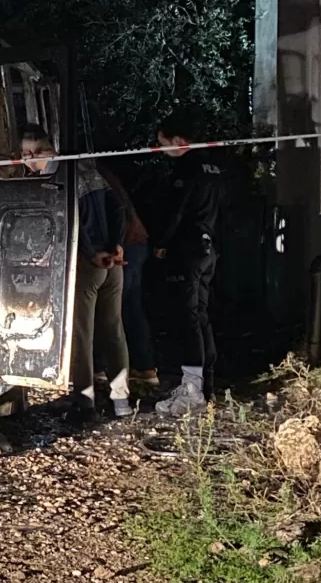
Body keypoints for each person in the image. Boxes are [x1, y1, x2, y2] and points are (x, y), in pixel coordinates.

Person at [20, 125, 132, 422]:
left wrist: (91, 253)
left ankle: (85, 403)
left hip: (86, 265)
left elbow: (70, 222)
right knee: (114, 331)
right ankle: (122, 400)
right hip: (113, 263)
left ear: (32, 153)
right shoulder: (87, 169)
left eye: (24, 155)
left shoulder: (56, 180)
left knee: (80, 335)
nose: (24, 162)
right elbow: (117, 208)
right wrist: (117, 245)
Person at [152, 111, 224, 416]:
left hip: (188, 250)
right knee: (201, 316)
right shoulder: (214, 166)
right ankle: (206, 386)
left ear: (179, 141)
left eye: (163, 144)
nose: (161, 150)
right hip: (209, 248)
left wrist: (161, 243)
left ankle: (192, 390)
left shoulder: (186, 168)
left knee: (187, 319)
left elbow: (176, 210)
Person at [100, 166, 158, 386]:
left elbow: (116, 213)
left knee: (111, 310)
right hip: (136, 244)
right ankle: (145, 367)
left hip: (126, 246)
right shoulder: (105, 175)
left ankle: (103, 368)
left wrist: (115, 246)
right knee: (131, 308)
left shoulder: (92, 177)